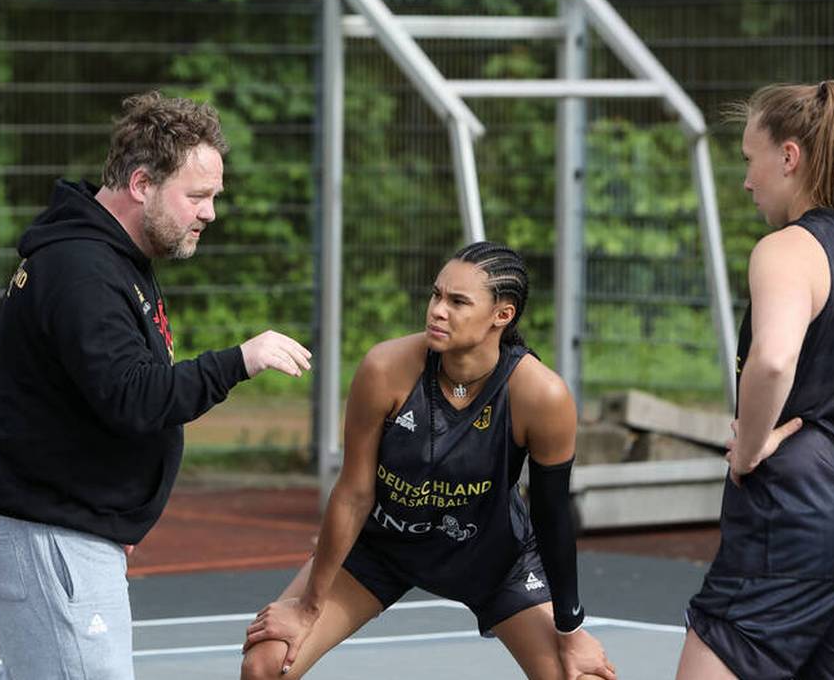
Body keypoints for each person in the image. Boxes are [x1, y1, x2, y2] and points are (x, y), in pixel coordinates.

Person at [0, 91, 313, 679]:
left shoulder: (113, 257)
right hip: (51, 530)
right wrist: (239, 361)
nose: (210, 214)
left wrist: (115, 513)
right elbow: (134, 395)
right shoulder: (83, 271)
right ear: (143, 183)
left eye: (213, 198)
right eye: (197, 197)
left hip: (69, 526)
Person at [241, 241, 616, 680]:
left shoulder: (540, 395)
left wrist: (570, 630)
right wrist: (308, 607)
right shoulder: (385, 368)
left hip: (491, 558)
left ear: (503, 314)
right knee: (266, 663)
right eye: (436, 295)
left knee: (583, 679)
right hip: (384, 545)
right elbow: (354, 491)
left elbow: (553, 518)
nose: (438, 310)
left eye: (458, 302)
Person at [676, 81, 834, 679]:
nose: (747, 181)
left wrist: (749, 446)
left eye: (751, 160)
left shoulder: (790, 249)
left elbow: (773, 361)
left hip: (793, 514)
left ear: (789, 157)